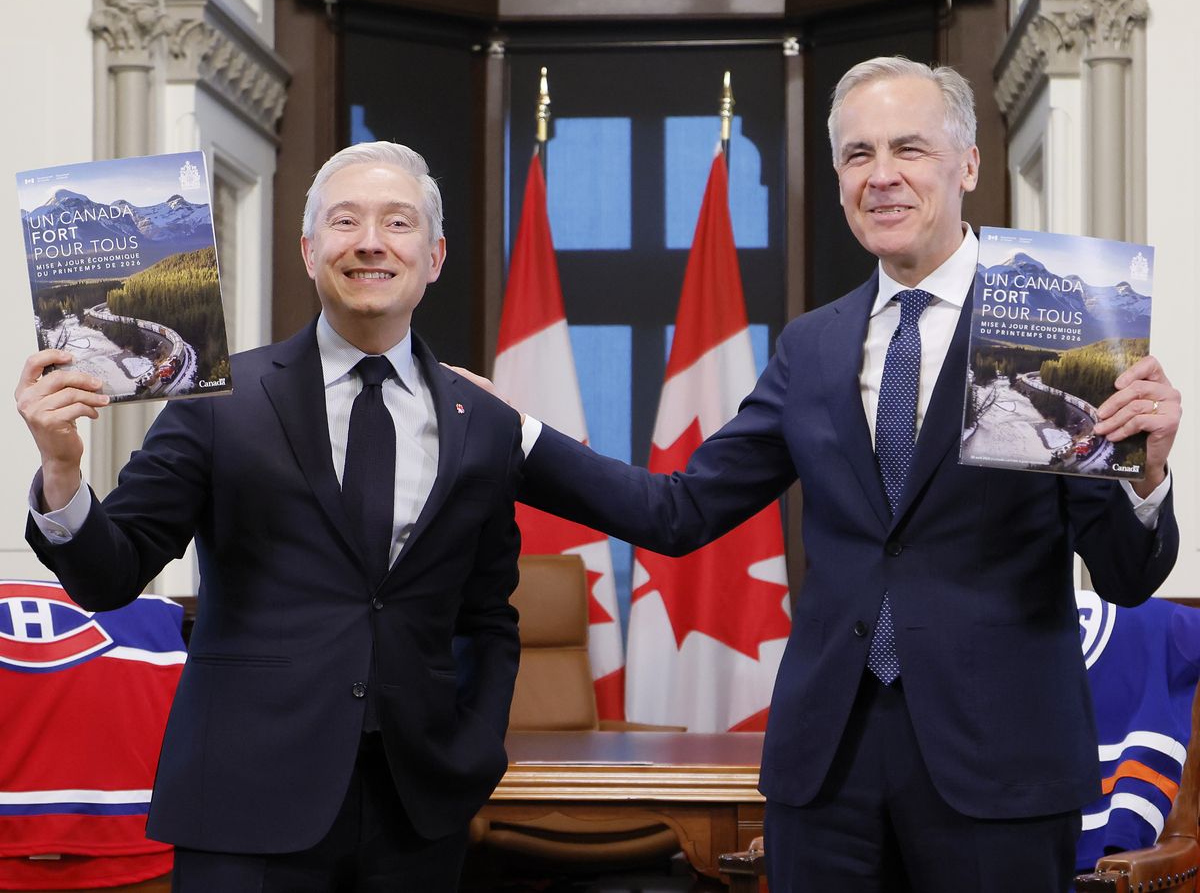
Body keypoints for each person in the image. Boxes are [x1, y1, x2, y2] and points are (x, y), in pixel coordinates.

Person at [457, 56, 1182, 890]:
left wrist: (1145, 475)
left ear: (969, 165)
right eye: (857, 155)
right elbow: (681, 511)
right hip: (826, 772)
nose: (882, 177)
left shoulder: (1060, 320)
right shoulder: (812, 346)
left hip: (1001, 771)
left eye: (909, 149)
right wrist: (521, 438)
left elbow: (1128, 577)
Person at [15, 141, 523, 892]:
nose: (371, 242)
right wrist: (61, 469)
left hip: (418, 813)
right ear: (309, 250)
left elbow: (488, 613)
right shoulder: (219, 399)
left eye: (398, 223)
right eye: (346, 221)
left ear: (435, 254)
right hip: (242, 802)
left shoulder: (481, 417)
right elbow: (111, 575)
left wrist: (475, 747)